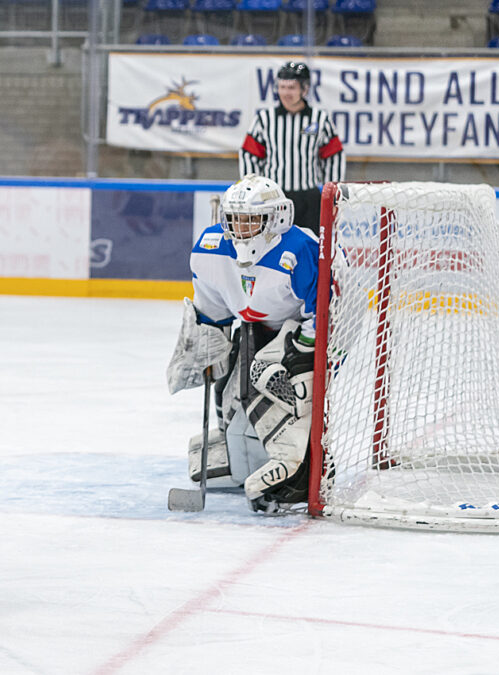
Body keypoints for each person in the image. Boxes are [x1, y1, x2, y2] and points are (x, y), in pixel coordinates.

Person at [167, 174, 319, 514]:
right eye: (234, 218)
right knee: (230, 389)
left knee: (292, 399)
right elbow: (212, 306)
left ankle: (300, 473)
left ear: (276, 218)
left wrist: (302, 354)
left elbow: (323, 310)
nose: (241, 227)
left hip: (299, 330)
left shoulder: (299, 249)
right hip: (254, 326)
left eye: (251, 218)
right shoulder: (209, 247)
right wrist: (211, 340)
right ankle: (236, 449)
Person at [238, 61, 344, 235]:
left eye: (291, 88)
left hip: (309, 199)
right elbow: (249, 154)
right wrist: (254, 192)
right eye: (282, 87)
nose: (286, 93)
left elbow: (333, 156)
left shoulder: (319, 119)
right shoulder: (265, 119)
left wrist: (332, 196)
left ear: (305, 89)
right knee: (272, 246)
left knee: (311, 247)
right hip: (273, 198)